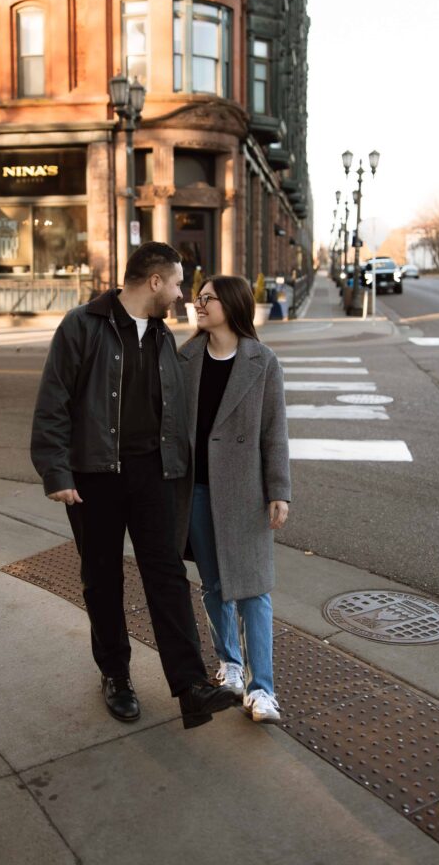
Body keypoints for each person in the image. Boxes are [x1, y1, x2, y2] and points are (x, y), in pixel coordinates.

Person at [31, 242, 237, 730]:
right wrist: (56, 473)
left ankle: (190, 685)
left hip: (152, 476)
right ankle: (116, 676)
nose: (182, 292)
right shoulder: (82, 326)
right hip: (93, 478)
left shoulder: (164, 339)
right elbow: (53, 403)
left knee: (166, 576)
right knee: (102, 580)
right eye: (178, 282)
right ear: (154, 282)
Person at [177, 274, 291, 723]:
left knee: (254, 591)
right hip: (197, 492)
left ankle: (263, 689)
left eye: (208, 299)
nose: (198, 305)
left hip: (245, 492)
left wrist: (279, 491)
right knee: (216, 586)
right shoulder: (185, 358)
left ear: (232, 305)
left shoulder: (262, 362)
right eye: (197, 298)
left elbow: (274, 432)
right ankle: (231, 666)